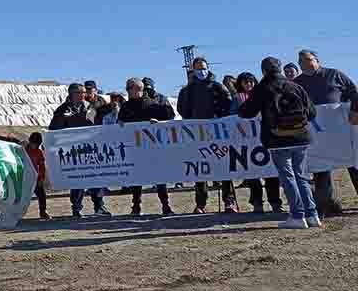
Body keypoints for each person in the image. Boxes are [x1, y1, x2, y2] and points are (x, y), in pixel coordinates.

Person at [238, 57, 319, 229]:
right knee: (301, 177)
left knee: (288, 177)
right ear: (280, 69)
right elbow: (312, 113)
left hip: (277, 139)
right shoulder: (296, 86)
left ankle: (297, 216)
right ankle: (312, 215)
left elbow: (247, 112)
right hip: (301, 136)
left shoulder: (262, 88)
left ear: (264, 71)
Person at [294, 49, 358, 216]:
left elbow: (354, 92)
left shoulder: (334, 74)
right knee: (321, 169)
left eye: (309, 59)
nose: (306, 63)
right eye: (301, 61)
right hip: (317, 135)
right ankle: (326, 206)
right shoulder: (297, 83)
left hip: (343, 130)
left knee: (354, 164)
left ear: (317, 60)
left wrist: (355, 111)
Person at [177, 57, 237, 213]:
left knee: (223, 166)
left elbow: (228, 104)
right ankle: (200, 204)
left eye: (203, 68)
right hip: (196, 134)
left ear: (208, 68)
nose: (201, 71)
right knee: (200, 169)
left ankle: (229, 201)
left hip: (218, 133)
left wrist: (219, 115)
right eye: (198, 68)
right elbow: (182, 109)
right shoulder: (187, 90)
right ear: (193, 70)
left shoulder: (218, 87)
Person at [48, 83, 110, 218]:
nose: (83, 94)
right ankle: (76, 208)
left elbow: (97, 123)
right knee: (78, 179)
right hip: (74, 151)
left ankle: (99, 206)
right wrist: (67, 119)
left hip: (91, 149)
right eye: (80, 92)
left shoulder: (90, 107)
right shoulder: (62, 110)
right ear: (71, 94)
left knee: (96, 177)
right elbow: (54, 129)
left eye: (84, 92)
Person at [119, 78, 175, 216]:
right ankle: (136, 206)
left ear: (138, 89)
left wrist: (159, 123)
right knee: (136, 178)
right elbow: (119, 122)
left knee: (159, 177)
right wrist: (119, 124)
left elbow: (168, 119)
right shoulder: (125, 107)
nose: (128, 91)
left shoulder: (152, 104)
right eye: (127, 88)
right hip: (135, 148)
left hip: (152, 148)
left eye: (129, 88)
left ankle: (165, 206)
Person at [232, 73, 283, 214]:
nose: (249, 84)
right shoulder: (237, 98)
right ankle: (257, 203)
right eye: (245, 82)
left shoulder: (263, 93)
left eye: (251, 81)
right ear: (240, 84)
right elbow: (232, 117)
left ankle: (275, 202)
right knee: (253, 174)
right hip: (247, 141)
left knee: (270, 173)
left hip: (266, 138)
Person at [25, 132, 50, 220]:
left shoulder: (39, 152)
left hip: (35, 178)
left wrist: (41, 178)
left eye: (36, 144)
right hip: (23, 177)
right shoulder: (23, 150)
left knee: (42, 194)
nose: (34, 145)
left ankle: (43, 211)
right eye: (33, 143)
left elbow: (42, 166)